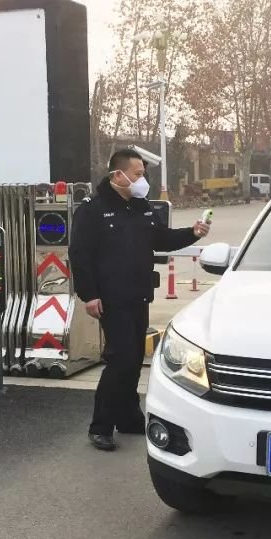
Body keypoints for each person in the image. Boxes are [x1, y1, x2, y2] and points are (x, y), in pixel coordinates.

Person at [68, 148, 209, 450]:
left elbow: (161, 238)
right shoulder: (92, 209)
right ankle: (101, 426)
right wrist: (89, 295)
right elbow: (80, 255)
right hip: (110, 298)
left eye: (143, 174)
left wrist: (193, 233)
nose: (142, 180)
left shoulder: (141, 206)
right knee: (121, 359)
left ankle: (128, 417)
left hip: (138, 295)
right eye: (138, 174)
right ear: (118, 175)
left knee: (133, 360)